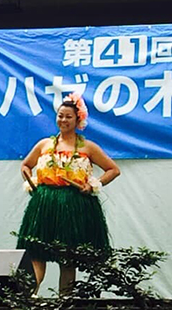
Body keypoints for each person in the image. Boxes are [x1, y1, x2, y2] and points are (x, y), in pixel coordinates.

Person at [17, 94, 120, 295]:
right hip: (44, 205)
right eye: (60, 115)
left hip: (73, 206)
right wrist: (31, 182)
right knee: (36, 252)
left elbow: (113, 170)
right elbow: (26, 165)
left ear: (78, 119)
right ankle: (29, 299)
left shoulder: (87, 147)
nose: (63, 120)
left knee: (67, 257)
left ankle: (65, 306)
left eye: (68, 117)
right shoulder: (44, 145)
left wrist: (93, 185)